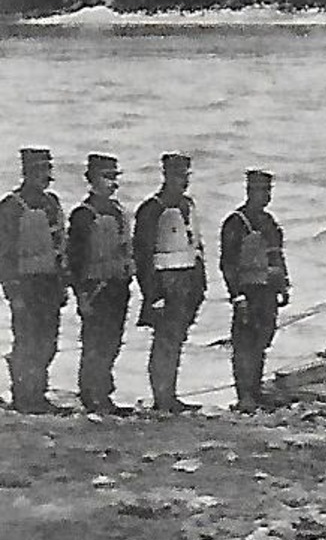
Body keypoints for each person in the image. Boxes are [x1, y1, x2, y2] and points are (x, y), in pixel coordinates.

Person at [134, 153, 207, 414]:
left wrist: (201, 284)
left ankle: (171, 395)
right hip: (164, 282)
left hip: (187, 282)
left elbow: (197, 247)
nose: (182, 182)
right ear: (166, 175)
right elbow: (142, 256)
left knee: (177, 339)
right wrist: (152, 294)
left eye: (186, 176)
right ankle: (162, 398)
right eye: (177, 176)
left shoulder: (189, 205)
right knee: (164, 340)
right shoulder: (152, 208)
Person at [0, 148, 70, 414]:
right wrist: (12, 291)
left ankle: (37, 393)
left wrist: (63, 283)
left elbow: (61, 245)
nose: (46, 177)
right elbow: (4, 253)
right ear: (27, 172)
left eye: (48, 171)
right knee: (26, 341)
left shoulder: (52, 203)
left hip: (49, 284)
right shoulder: (11, 206)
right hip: (25, 285)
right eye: (40, 171)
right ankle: (24, 396)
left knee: (48, 342)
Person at [66, 153, 133, 415]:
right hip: (95, 288)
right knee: (94, 342)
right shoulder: (83, 215)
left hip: (118, 287)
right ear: (91, 179)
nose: (112, 183)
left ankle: (104, 394)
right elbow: (75, 259)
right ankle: (90, 395)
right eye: (107, 177)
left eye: (114, 178)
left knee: (113, 342)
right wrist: (81, 294)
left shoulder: (118, 211)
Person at [219, 170, 290, 412]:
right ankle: (244, 395)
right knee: (244, 342)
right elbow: (227, 263)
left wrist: (284, 285)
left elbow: (277, 255)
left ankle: (256, 389)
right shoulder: (236, 222)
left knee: (263, 339)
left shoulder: (269, 221)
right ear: (249, 191)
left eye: (268, 191)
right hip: (248, 290)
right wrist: (237, 296)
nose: (265, 196)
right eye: (260, 190)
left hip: (268, 290)